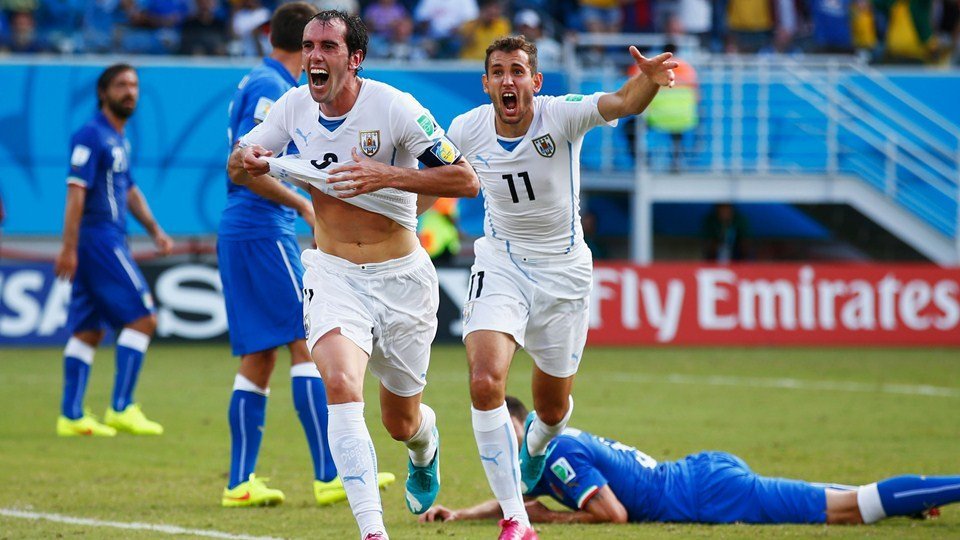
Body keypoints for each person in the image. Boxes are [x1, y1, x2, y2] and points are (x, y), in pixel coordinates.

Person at [227, 10, 479, 539]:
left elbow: (464, 178)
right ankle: (373, 531)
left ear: (354, 58)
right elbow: (238, 161)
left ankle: (425, 443)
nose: (313, 55)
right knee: (340, 383)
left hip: (403, 279)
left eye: (327, 47)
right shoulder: (294, 106)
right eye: (308, 45)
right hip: (333, 272)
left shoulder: (394, 107)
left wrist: (386, 174)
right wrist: (249, 158)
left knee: (400, 422)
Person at [445, 36, 676, 539]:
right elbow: (436, 175)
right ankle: (516, 518)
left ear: (535, 81)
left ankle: (536, 447)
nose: (509, 80)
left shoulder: (562, 115)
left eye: (518, 71)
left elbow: (622, 102)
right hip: (501, 261)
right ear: (486, 84)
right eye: (499, 72)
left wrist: (649, 82)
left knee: (549, 410)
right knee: (486, 382)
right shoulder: (465, 128)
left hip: (564, 275)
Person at [219, 1, 394, 510]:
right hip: (262, 227)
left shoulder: (257, 79)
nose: (319, 58)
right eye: (315, 46)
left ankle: (239, 482)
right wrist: (305, 205)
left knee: (259, 357)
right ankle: (330, 474)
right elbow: (248, 165)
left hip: (243, 230)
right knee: (308, 340)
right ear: (304, 48)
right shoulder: (277, 90)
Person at [422, 396, 960, 526]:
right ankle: (917, 501)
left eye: (505, 431)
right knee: (831, 496)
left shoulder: (557, 453)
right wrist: (463, 516)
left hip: (706, 493)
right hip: (701, 474)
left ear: (520, 424)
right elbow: (516, 494)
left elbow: (614, 515)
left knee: (849, 510)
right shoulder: (544, 455)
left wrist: (552, 519)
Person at [54, 63, 173, 438]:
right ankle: (121, 407)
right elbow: (76, 193)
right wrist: (69, 247)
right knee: (144, 318)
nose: (130, 92)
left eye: (135, 85)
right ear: (103, 92)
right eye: (121, 85)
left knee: (88, 329)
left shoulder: (119, 138)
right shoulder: (90, 135)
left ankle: (70, 416)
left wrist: (154, 228)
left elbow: (130, 189)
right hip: (99, 238)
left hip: (105, 238)